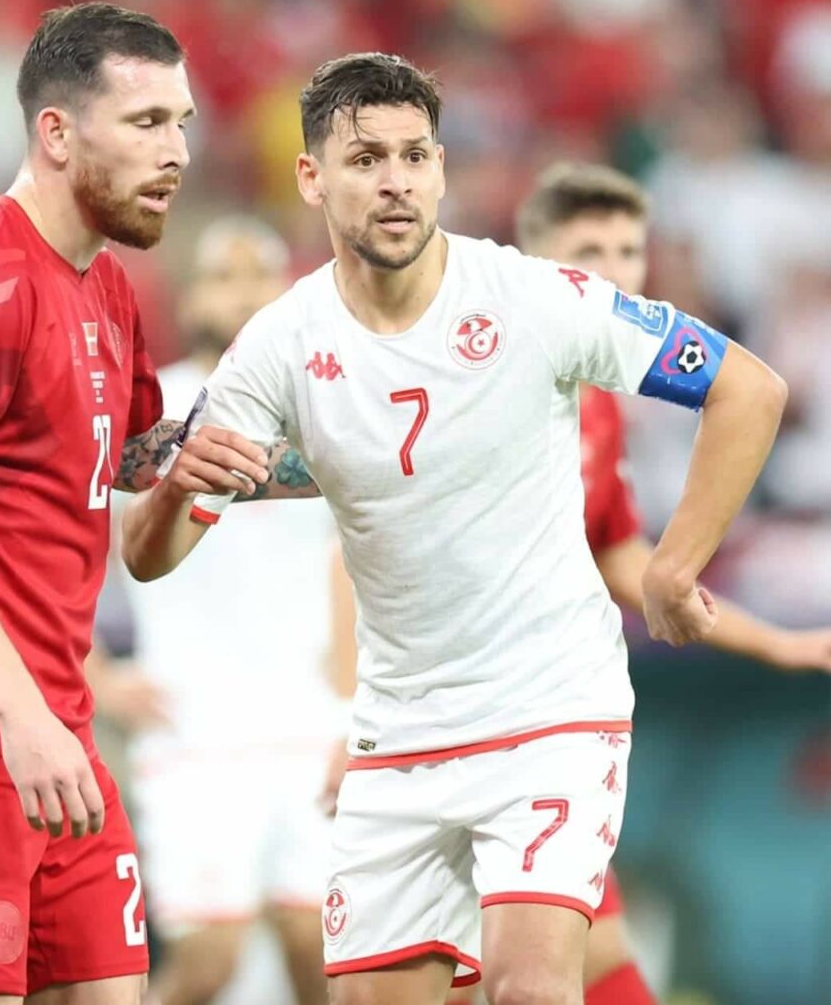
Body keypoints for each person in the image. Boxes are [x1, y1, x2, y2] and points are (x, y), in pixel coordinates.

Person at [120, 53, 787, 1005]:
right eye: (365, 160)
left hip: (549, 709)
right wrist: (171, 491)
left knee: (528, 988)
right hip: (396, 732)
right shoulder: (278, 344)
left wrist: (674, 570)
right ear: (312, 178)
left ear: (440, 169)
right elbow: (153, 558)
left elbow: (746, 389)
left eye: (414, 155)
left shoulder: (535, 298)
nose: (395, 180)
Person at [324, 160, 831, 1005]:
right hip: (436, 729)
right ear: (536, 263)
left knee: (582, 962)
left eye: (629, 251)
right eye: (589, 251)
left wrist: (776, 644)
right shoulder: (475, 372)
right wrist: (353, 721)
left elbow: (620, 557)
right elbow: (362, 558)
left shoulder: (593, 403)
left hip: (539, 728)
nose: (616, 272)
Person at [0, 2, 269, 1005]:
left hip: (58, 734)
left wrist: (225, 460)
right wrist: (20, 714)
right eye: (145, 123)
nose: (176, 152)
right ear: (56, 132)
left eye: (181, 123)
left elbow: (126, 468)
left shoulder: (108, 287)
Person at [96, 216, 341, 1005]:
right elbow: (62, 550)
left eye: (257, 274)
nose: (240, 292)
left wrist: (359, 695)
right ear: (190, 297)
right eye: (221, 276)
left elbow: (356, 559)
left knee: (320, 954)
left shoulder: (326, 407)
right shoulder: (151, 415)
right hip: (192, 725)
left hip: (309, 719)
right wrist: (95, 676)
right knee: (210, 962)